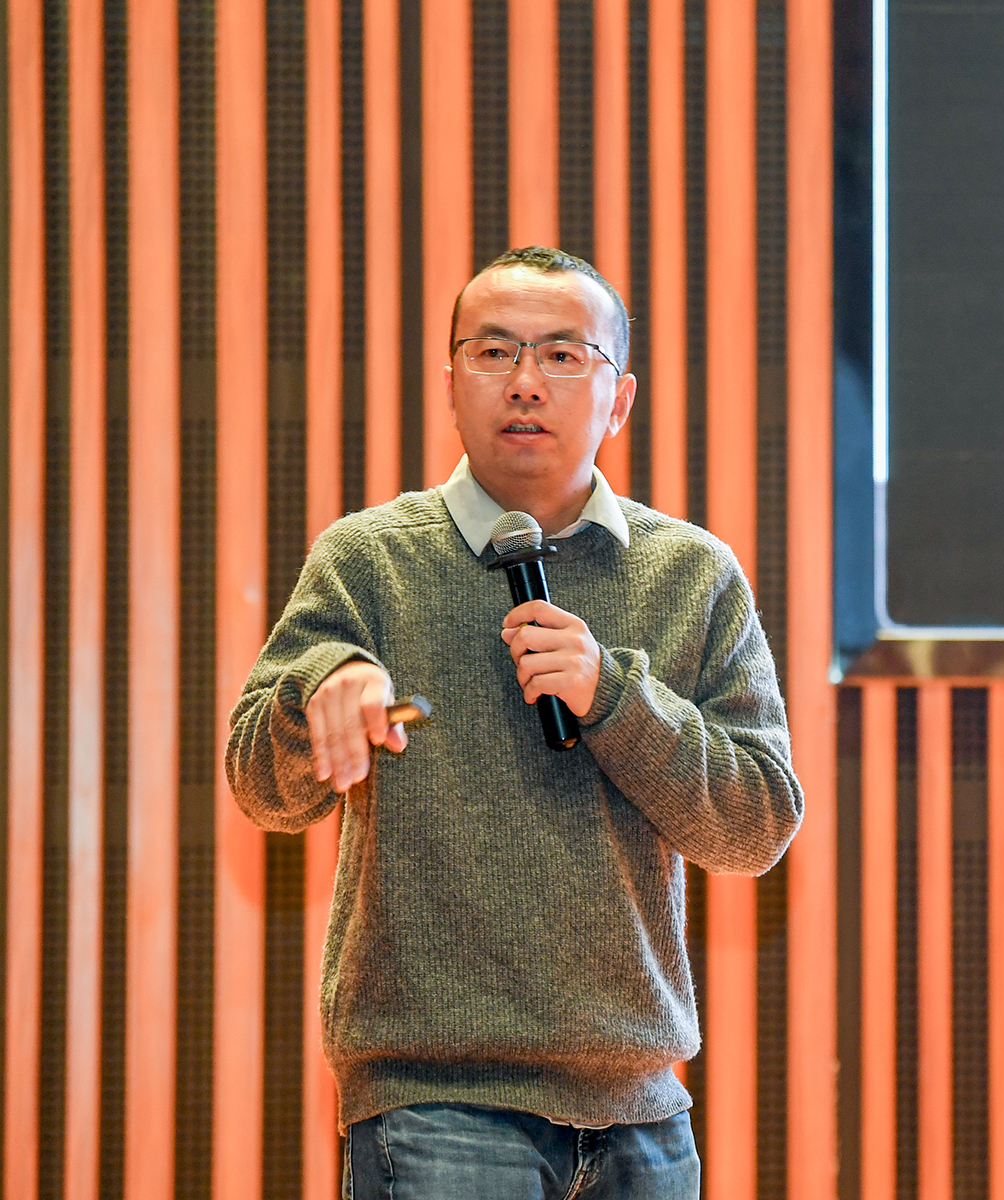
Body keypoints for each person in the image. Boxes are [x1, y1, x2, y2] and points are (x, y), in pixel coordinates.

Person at [226, 246, 803, 1199]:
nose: (525, 381)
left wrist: (615, 695)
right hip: (434, 1103)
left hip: (643, 1111)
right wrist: (319, 693)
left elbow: (758, 825)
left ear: (619, 400)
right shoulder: (368, 560)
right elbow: (259, 787)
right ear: (452, 385)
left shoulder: (692, 573)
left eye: (563, 355)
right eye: (493, 352)